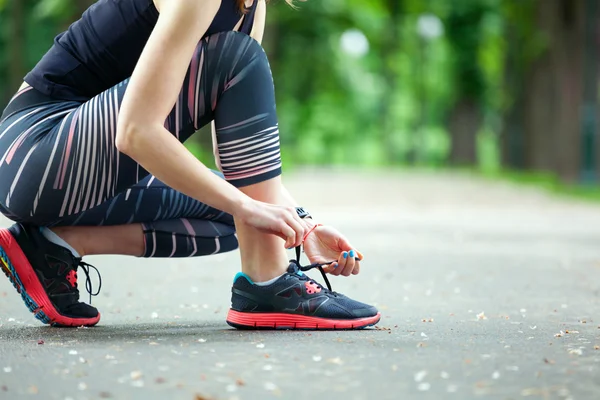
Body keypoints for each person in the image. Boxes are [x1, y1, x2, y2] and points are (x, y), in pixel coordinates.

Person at [0, 0, 380, 330]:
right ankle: (269, 282)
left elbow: (242, 163)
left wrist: (303, 223)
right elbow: (135, 132)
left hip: (75, 174)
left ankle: (49, 246)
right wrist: (247, 207)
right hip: (29, 154)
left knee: (232, 217)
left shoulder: (250, 9)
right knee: (243, 202)